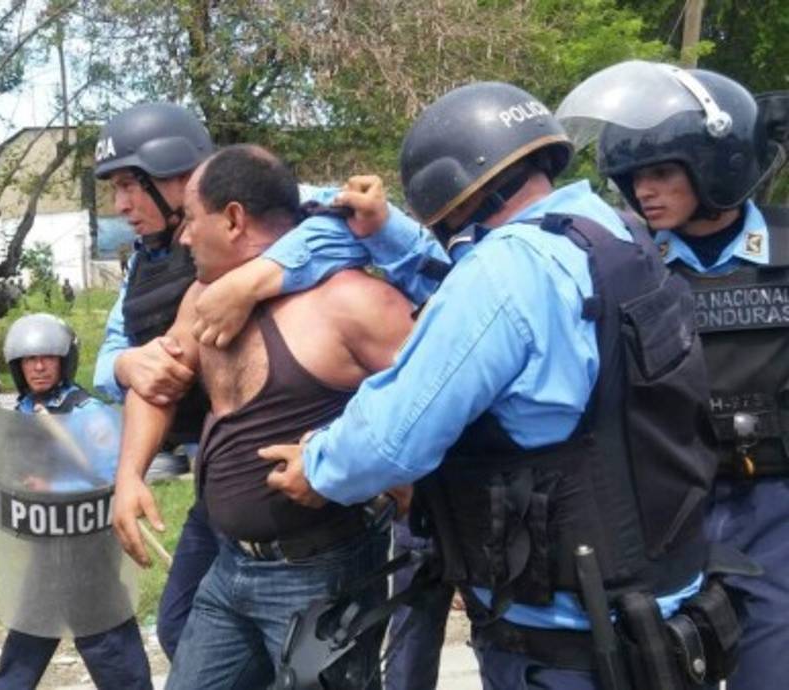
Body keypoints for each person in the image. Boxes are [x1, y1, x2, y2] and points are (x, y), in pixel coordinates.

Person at [262, 82, 736, 690]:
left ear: (449, 191)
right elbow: (477, 297)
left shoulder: (504, 272)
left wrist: (318, 465)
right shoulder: (612, 235)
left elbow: (391, 439)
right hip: (662, 610)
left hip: (566, 642)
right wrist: (390, 234)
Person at [91, 102, 442, 663]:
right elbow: (154, 378)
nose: (123, 206)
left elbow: (446, 390)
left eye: (133, 185)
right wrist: (129, 468)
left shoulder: (345, 292)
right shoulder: (189, 287)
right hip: (229, 548)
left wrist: (370, 461)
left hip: (321, 558)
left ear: (228, 217)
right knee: (180, 637)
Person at [574, 62, 788, 690]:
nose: (645, 191)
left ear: (716, 163)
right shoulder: (621, 263)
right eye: (635, 176)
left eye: (662, 171)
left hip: (775, 506)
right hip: (666, 511)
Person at [0, 313, 151, 690]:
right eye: (29, 360)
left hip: (88, 550)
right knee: (27, 637)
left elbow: (114, 477)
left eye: (48, 357)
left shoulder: (88, 414)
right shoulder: (23, 413)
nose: (39, 366)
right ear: (18, 367)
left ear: (65, 361)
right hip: (45, 548)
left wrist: (56, 483)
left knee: (109, 646)